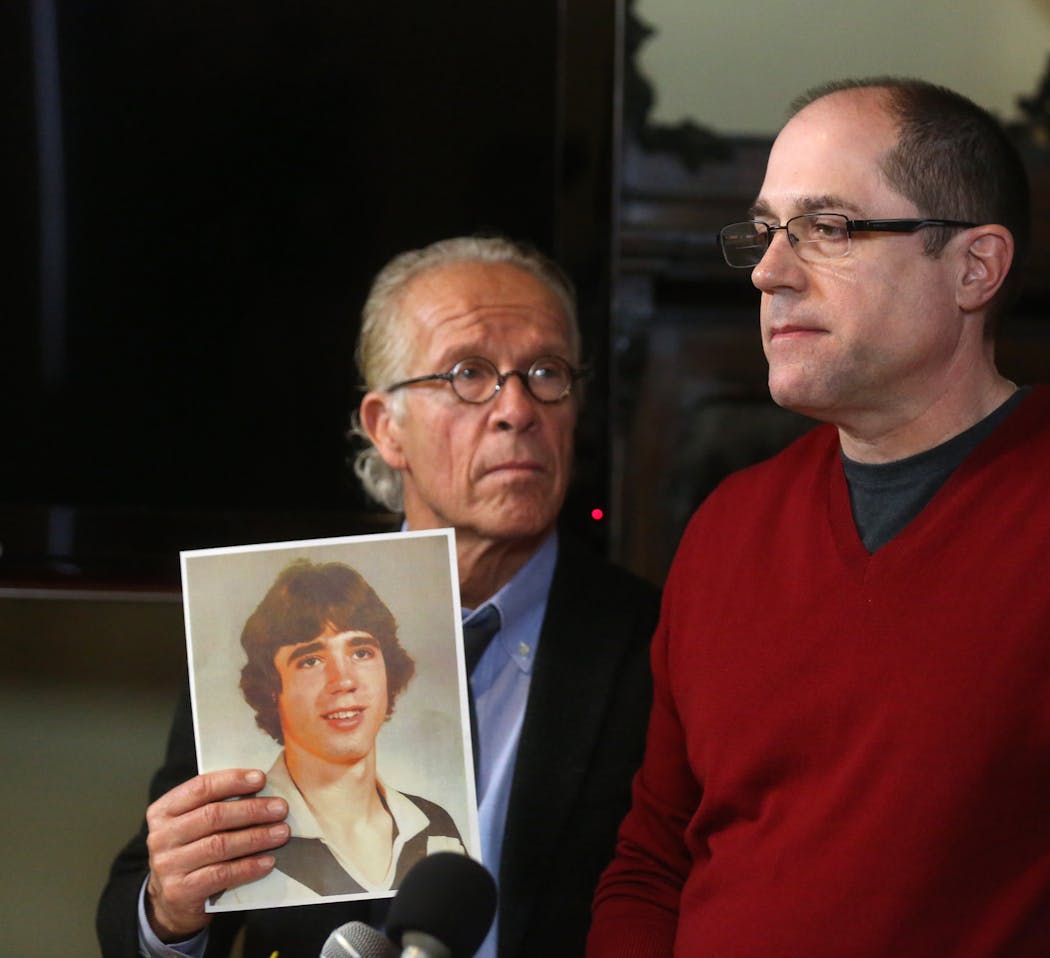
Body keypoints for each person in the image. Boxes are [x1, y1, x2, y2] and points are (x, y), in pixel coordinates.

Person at [587, 77, 1050, 956]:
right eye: (767, 232)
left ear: (975, 267)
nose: (770, 272)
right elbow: (653, 863)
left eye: (829, 229)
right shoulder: (728, 527)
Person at [97, 235, 660, 958]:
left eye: (546, 372)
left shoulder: (653, 636)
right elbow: (139, 912)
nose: (517, 408)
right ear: (385, 427)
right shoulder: (274, 620)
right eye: (469, 373)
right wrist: (171, 907)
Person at [215, 558, 467, 907]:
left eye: (361, 651)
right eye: (311, 660)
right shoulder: (239, 840)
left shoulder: (437, 828)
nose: (344, 680)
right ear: (272, 688)